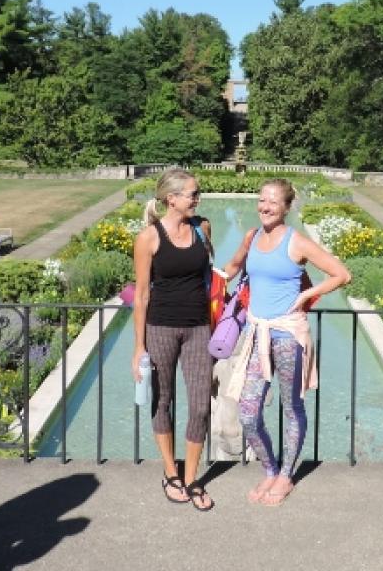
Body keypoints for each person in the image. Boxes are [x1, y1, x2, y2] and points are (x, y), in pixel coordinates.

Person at [220, 178, 351, 506]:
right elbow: (233, 267)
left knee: (292, 407)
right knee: (248, 412)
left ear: (287, 207)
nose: (265, 206)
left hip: (289, 335)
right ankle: (269, 470)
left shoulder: (298, 242)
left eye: (273, 202)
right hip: (257, 336)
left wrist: (308, 293)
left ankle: (285, 476)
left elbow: (341, 274)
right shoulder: (252, 237)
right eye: (262, 200)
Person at [131, 168, 215, 511]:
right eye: (192, 194)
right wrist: (138, 347)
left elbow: (212, 276)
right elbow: (140, 296)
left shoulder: (203, 228)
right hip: (160, 328)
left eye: (197, 194)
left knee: (199, 405)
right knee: (161, 402)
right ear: (172, 199)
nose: (197, 199)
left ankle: (192, 477)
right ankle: (171, 473)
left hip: (198, 328)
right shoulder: (149, 238)